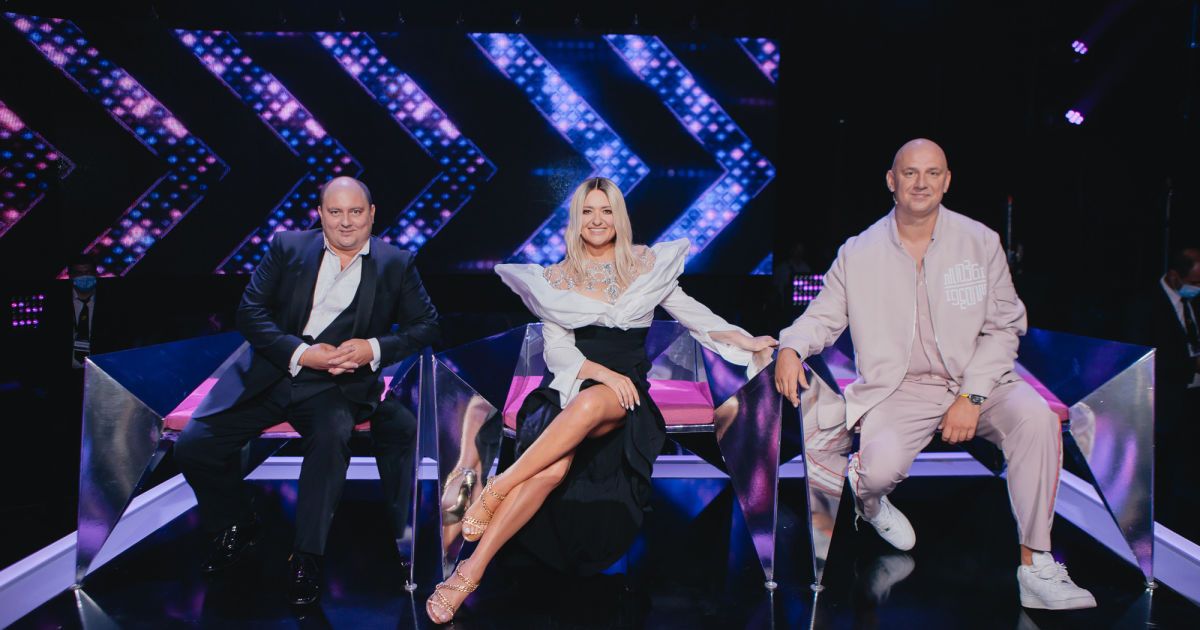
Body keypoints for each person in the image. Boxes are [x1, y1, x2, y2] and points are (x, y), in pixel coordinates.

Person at [423, 177, 777, 623]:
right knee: (551, 468)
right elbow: (557, 351)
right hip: (573, 385)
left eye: (606, 211)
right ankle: (470, 572)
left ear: (619, 218)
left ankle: (497, 486)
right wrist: (598, 372)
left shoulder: (646, 267)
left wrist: (747, 341)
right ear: (576, 219)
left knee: (593, 406)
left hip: (625, 393)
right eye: (588, 211)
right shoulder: (557, 278)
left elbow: (698, 318)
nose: (597, 220)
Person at [774, 139, 1096, 610]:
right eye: (910, 173)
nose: (921, 183)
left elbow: (1005, 326)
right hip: (899, 389)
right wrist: (790, 346)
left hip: (979, 381)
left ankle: (1036, 565)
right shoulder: (858, 252)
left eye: (932, 173)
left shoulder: (980, 241)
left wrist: (972, 396)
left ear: (947, 181)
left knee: (1037, 419)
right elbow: (822, 316)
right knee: (875, 473)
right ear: (892, 181)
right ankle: (870, 503)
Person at [173, 176, 438, 605]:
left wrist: (372, 348)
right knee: (194, 446)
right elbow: (250, 313)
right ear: (320, 214)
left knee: (331, 439)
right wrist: (301, 353)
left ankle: (306, 556)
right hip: (272, 374)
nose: (346, 222)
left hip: (337, 386)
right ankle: (237, 522)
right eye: (335, 212)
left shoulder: (396, 262)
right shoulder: (288, 247)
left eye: (356, 212)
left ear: (372, 214)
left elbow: (426, 326)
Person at [1125, 247, 1200, 537]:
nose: (1197, 288)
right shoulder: (1145, 305)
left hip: (1191, 398)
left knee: (1187, 471)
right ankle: (1160, 531)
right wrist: (1191, 364)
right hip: (1163, 402)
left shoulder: (1192, 304)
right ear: (1174, 275)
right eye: (1194, 282)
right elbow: (1144, 356)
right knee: (1164, 473)